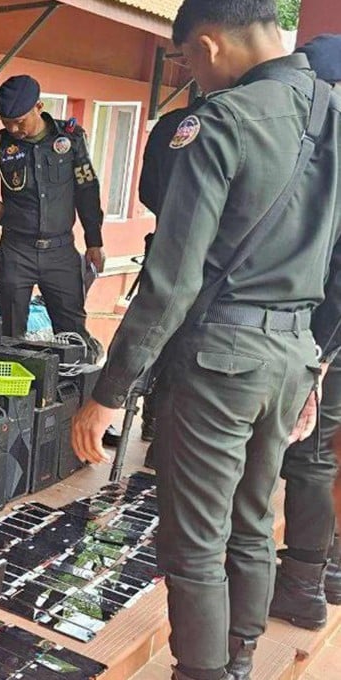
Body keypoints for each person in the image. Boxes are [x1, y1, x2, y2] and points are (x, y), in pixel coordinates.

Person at [71, 3, 341, 680]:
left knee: (194, 540)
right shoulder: (333, 113)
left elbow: (171, 281)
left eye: (187, 58)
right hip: (293, 354)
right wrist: (316, 362)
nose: (191, 73)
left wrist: (109, 392)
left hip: (222, 359)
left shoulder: (221, 122)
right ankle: (239, 660)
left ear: (211, 45)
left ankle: (202, 672)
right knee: (251, 519)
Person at [268, 33, 341, 632]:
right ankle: (325, 572)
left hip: (328, 336)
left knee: (311, 457)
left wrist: (317, 355)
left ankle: (302, 587)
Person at [0, 75, 105, 342]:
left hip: (61, 253)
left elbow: (87, 192)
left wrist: (94, 242)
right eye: (6, 121)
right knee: (10, 335)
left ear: (39, 106)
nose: (13, 128)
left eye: (19, 121)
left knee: (73, 336)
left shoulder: (69, 140)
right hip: (16, 252)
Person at [102, 99, 204, 452]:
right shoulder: (246, 122)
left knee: (159, 335)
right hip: (215, 265)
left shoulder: (171, 123)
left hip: (165, 248)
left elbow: (147, 191)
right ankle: (165, 430)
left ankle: (152, 420)